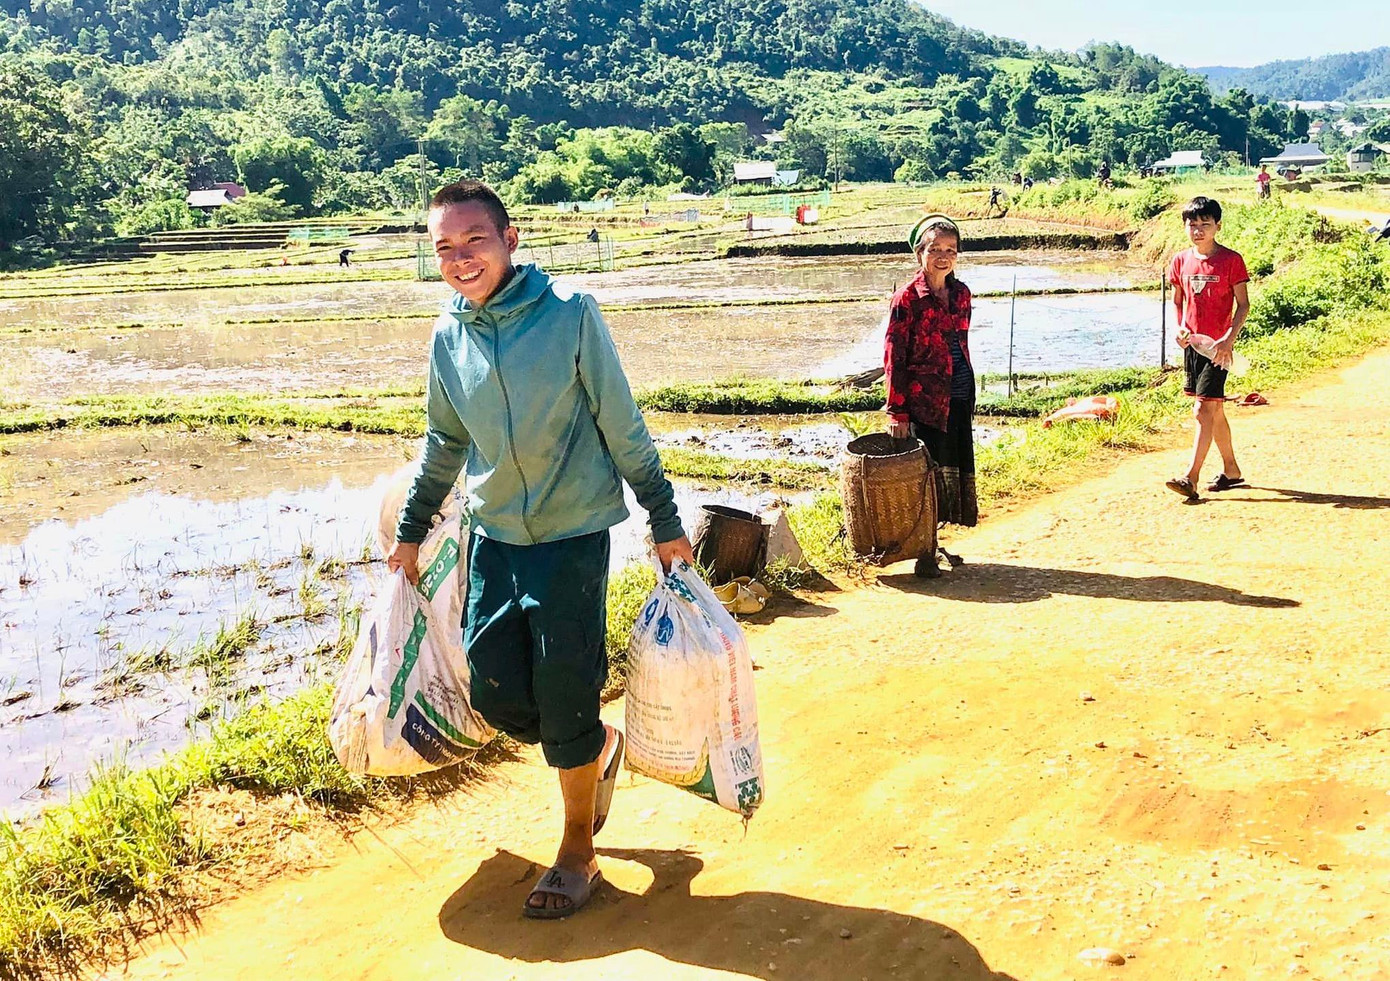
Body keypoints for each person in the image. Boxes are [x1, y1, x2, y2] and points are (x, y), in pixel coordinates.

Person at [387, 180, 694, 918]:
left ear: (510, 239)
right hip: (493, 538)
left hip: (572, 537)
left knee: (563, 692)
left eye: (475, 240)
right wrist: (410, 530)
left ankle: (577, 849)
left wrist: (663, 518)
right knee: (494, 690)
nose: (461, 258)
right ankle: (595, 743)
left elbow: (622, 424)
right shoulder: (448, 335)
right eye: (445, 248)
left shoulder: (570, 313)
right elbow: (444, 442)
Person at [884, 214, 978, 579]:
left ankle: (934, 543)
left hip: (958, 393)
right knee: (925, 478)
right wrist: (897, 412)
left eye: (951, 250)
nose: (943, 257)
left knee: (949, 472)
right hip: (924, 401)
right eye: (935, 249)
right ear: (919, 253)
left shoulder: (961, 294)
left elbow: (960, 344)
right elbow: (894, 357)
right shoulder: (907, 299)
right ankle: (924, 554)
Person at [1164, 197, 1251, 502]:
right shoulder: (1179, 261)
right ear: (1185, 226)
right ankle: (1231, 470)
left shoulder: (1231, 260)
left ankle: (1191, 477)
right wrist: (1178, 327)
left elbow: (1243, 305)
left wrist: (1228, 339)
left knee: (1203, 410)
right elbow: (1177, 301)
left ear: (1218, 226)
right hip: (1193, 346)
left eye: (1205, 224)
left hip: (1218, 350)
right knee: (1215, 410)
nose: (1198, 230)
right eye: (1193, 224)